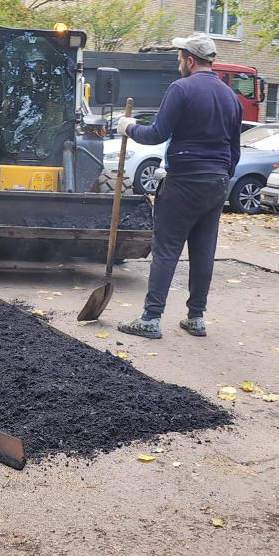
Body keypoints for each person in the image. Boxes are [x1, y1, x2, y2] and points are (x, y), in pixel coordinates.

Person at [115, 32, 242, 340]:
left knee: (167, 249)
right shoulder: (231, 97)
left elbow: (157, 133)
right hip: (217, 183)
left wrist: (128, 127)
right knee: (203, 250)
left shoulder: (181, 89)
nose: (177, 64)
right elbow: (235, 150)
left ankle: (151, 318)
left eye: (178, 58)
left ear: (189, 60)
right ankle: (196, 318)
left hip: (184, 181)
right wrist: (220, 178)